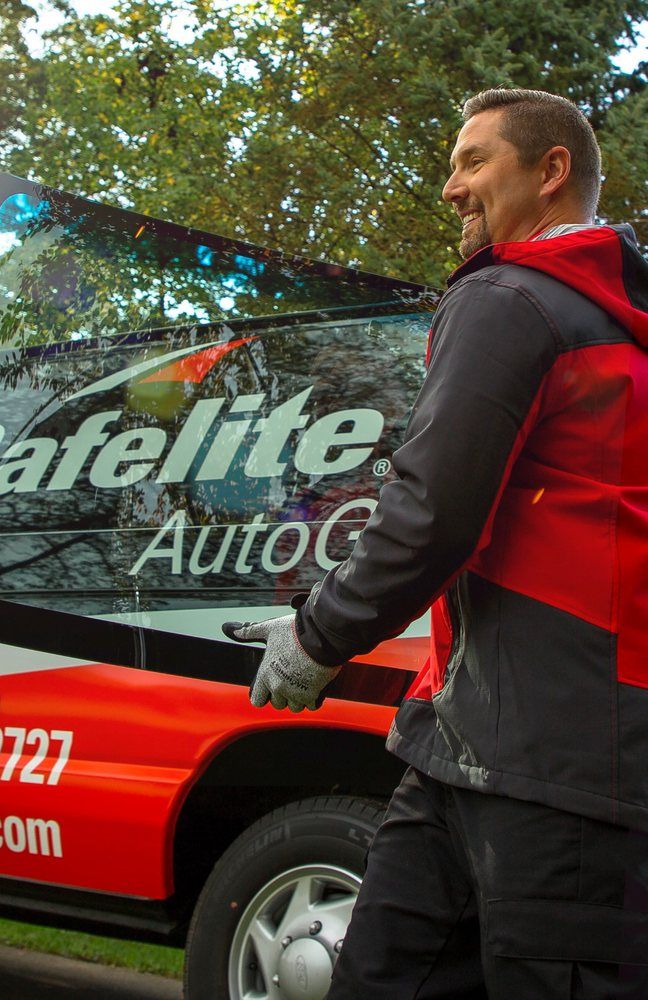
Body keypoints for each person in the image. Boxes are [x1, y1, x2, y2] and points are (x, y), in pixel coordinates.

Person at [225, 88, 648, 997]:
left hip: (555, 765)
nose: (451, 188)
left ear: (551, 171)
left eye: (473, 162)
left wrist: (317, 636)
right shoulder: (613, 324)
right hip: (482, 747)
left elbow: (432, 511)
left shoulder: (510, 297)